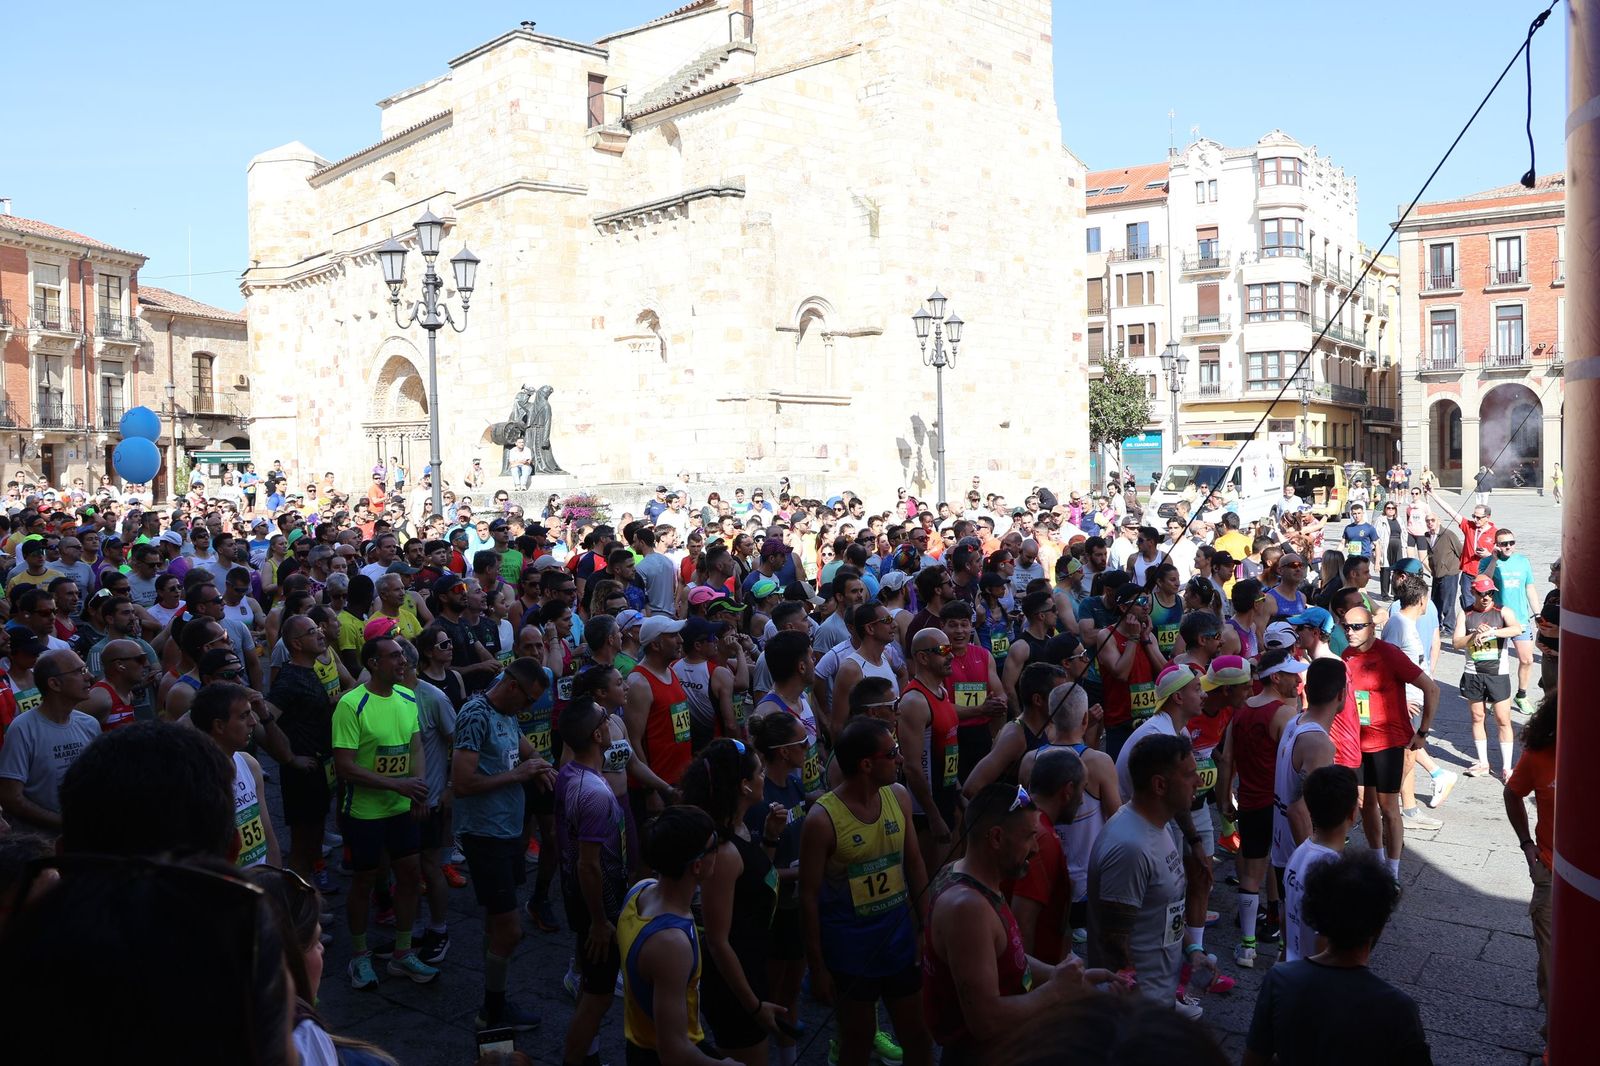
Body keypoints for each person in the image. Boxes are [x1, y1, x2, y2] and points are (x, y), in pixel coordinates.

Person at [924, 780, 1112, 1066]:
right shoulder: (968, 910)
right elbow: (986, 1021)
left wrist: (1061, 975)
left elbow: (1003, 954)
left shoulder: (970, 875)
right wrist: (1056, 990)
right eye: (1029, 837)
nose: (1036, 848)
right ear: (996, 838)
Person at [800, 717, 932, 1066]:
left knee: (917, 1034)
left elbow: (915, 864)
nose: (901, 759)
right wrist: (818, 967)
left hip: (899, 941)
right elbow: (808, 896)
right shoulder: (822, 819)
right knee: (856, 1043)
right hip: (850, 951)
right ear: (866, 764)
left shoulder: (899, 797)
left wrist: (925, 926)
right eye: (893, 752)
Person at [1243, 852, 1430, 1065]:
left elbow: (1253, 1060)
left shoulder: (1280, 980)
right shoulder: (1398, 1008)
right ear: (1378, 925)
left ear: (1317, 915)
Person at [452, 658, 558, 1030]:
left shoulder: (507, 710)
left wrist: (542, 766)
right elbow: (461, 783)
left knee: (496, 923)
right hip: (485, 834)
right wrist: (518, 774)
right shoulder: (475, 715)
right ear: (512, 687)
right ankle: (493, 1011)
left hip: (507, 829)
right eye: (528, 701)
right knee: (510, 930)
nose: (528, 710)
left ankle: (490, 999)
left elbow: (523, 745)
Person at [333, 636, 439, 989]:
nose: (403, 662)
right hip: (363, 810)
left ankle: (402, 953)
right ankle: (360, 956)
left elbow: (415, 747)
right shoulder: (351, 705)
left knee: (409, 875)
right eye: (393, 656)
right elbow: (345, 767)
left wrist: (419, 787)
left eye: (403, 656)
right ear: (373, 664)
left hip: (401, 806)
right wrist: (399, 786)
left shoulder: (408, 698)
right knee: (364, 880)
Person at [680, 738, 789, 1065]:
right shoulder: (724, 851)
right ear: (743, 786)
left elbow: (754, 881)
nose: (764, 776)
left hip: (751, 961)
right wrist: (752, 1005)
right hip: (733, 981)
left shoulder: (740, 828)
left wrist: (770, 839)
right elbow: (717, 941)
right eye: (759, 772)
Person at [618, 804, 740, 1066]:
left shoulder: (640, 890)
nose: (719, 851)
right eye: (714, 846)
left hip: (639, 1044)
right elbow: (673, 1050)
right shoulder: (671, 943)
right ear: (697, 866)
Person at [1088, 732, 1199, 1018]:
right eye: (1189, 775)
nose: (1198, 782)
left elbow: (1163, 908)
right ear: (1160, 785)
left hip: (1158, 998)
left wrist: (1193, 950)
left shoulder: (1158, 826)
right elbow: (1113, 941)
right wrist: (1138, 1006)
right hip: (1136, 1010)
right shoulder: (1130, 847)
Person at [556, 697, 632, 1066]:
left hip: (581, 896)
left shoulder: (572, 772)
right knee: (600, 995)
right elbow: (590, 866)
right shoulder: (595, 793)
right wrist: (601, 921)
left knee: (591, 983)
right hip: (597, 903)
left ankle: (589, 1055)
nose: (610, 719)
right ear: (598, 734)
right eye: (604, 718)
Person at [1217, 648, 1304, 968]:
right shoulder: (1283, 714)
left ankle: (1247, 946)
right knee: (1283, 875)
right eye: (1292, 674)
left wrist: (1225, 798)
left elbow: (1227, 759)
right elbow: (1295, 762)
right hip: (1279, 805)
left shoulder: (1240, 711)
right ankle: (1284, 945)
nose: (1298, 680)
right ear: (1276, 678)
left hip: (1251, 801)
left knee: (1250, 874)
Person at [1340, 604, 1438, 883]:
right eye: (1345, 626)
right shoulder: (1346, 655)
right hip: (1358, 742)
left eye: (1357, 626)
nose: (1350, 632)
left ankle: (1392, 872)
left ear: (1372, 627)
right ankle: (1377, 861)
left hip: (1388, 742)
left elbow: (1431, 688)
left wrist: (1423, 732)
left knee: (1389, 807)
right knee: (1365, 804)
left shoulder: (1389, 654)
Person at [0, 650, 101, 831]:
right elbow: (11, 798)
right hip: (44, 848)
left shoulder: (89, 724)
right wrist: (65, 824)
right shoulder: (22, 729)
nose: (90, 677)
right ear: (54, 683)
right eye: (80, 671)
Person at [1503, 693, 1555, 1036]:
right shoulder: (1539, 754)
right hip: (1551, 871)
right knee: (1553, 964)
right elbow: (1512, 793)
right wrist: (1527, 844)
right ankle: (1556, 1032)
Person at [1007, 746, 1085, 965]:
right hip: (1037, 980)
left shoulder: (1032, 824)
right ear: (1068, 790)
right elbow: (1023, 923)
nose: (1082, 801)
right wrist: (1031, 991)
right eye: (1082, 790)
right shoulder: (1040, 838)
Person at [192, 681, 281, 869]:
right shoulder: (193, 779)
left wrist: (275, 875)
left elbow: (267, 832)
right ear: (219, 725)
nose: (253, 722)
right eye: (243, 716)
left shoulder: (249, 764)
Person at [897, 627, 962, 871]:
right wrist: (933, 816)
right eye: (943, 650)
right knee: (929, 878)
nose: (951, 655)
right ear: (923, 657)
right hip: (924, 810)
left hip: (944, 796)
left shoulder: (941, 691)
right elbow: (912, 767)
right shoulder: (914, 701)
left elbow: (947, 748)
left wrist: (957, 790)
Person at [1282, 765, 1359, 963]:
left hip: (1293, 968)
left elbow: (1286, 916)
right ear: (1353, 814)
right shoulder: (1337, 871)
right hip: (1315, 980)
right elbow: (1325, 939)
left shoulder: (1299, 853)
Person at [1452, 575, 1521, 780]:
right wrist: (1473, 636)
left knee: (1503, 719)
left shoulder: (1502, 611)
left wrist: (1493, 632)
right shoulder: (1466, 614)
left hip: (1497, 674)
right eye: (1482, 594)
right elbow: (1456, 642)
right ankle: (1483, 763)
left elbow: (1517, 628)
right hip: (1474, 672)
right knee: (1477, 717)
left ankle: (1507, 768)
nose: (1486, 598)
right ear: (1473, 593)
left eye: (1490, 593)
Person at [1488, 527, 1539, 713]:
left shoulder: (1523, 561)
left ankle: (1521, 695)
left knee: (1527, 660)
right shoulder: (1488, 562)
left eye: (1511, 542)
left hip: (1521, 620)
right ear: (1497, 545)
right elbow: (1482, 581)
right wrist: (1493, 558)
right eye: (1503, 544)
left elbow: (1530, 589)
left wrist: (1538, 614)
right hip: (1497, 618)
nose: (1508, 546)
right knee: (1498, 662)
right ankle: (1497, 698)